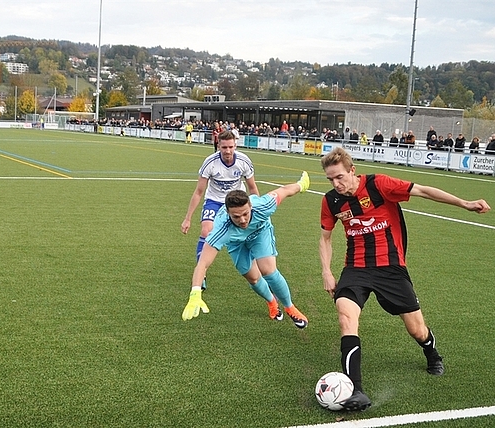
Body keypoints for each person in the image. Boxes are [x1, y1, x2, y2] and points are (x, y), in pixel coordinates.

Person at [318, 147, 490, 411]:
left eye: (339, 177)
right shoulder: (331, 201)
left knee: (417, 330)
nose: (335, 184)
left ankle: (431, 352)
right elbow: (325, 238)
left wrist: (465, 203)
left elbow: (423, 190)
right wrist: (327, 272)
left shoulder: (379, 185)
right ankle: (357, 390)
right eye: (330, 179)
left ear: (353, 170)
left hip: (391, 269)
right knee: (346, 318)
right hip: (356, 268)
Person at [181, 171, 311, 328]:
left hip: (259, 234)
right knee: (253, 278)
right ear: (228, 213)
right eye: (236, 216)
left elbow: (284, 191)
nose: (242, 220)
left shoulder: (264, 205)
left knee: (268, 270)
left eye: (245, 214)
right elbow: (203, 264)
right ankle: (271, 301)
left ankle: (290, 307)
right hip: (236, 243)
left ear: (250, 205)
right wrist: (195, 293)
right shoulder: (221, 229)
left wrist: (301, 185)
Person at [182, 130, 259, 291]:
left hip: (236, 202)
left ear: (235, 145)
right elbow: (198, 192)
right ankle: (201, 273)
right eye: (224, 147)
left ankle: (258, 269)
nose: (228, 151)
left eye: (231, 147)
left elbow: (252, 188)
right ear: (218, 146)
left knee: (247, 235)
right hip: (214, 201)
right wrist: (188, 218)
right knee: (206, 231)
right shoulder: (210, 163)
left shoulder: (244, 161)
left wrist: (257, 209)